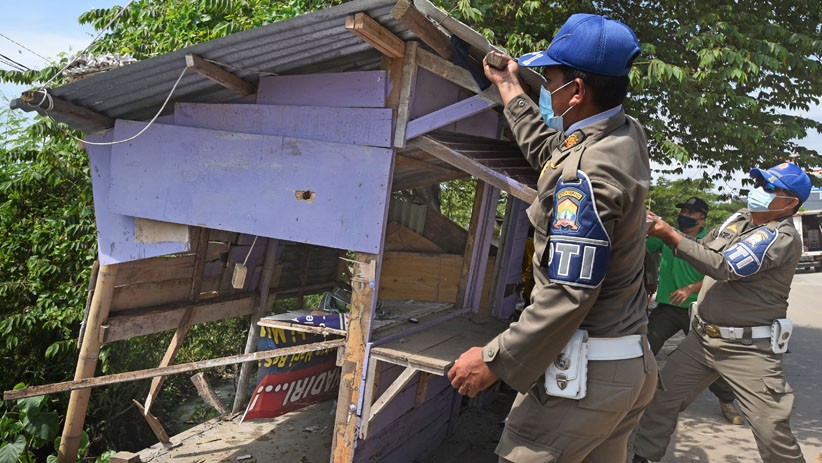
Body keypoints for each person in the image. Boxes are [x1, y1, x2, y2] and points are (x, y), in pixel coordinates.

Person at [446, 13, 657, 463]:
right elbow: (551, 152)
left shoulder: (590, 175)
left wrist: (494, 358)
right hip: (625, 369)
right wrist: (509, 87)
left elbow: (568, 291)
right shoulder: (624, 135)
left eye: (553, 79)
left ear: (577, 91)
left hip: (583, 381)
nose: (548, 88)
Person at [633, 161, 812, 463]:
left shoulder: (780, 236)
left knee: (771, 430)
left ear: (790, 202)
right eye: (758, 184)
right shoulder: (740, 219)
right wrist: (663, 227)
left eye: (769, 188)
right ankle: (643, 457)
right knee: (661, 401)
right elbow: (703, 248)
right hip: (702, 340)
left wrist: (668, 234)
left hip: (748, 349)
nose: (758, 191)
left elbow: (723, 265)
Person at [645, 196, 743, 425]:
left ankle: (727, 401)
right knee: (645, 349)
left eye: (690, 213)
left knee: (705, 359)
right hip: (668, 308)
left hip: (698, 309)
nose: (684, 216)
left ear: (701, 219)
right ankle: (636, 397)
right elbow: (642, 245)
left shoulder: (713, 241)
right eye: (683, 211)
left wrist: (691, 288)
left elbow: (720, 274)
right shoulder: (668, 237)